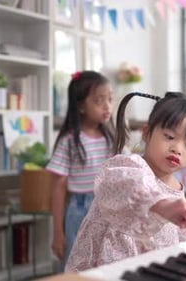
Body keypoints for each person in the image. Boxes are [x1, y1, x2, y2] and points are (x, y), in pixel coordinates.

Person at [65, 91, 186, 272]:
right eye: (169, 137)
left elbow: (180, 242)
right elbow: (126, 186)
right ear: (146, 133)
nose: (177, 149)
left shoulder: (178, 192)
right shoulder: (130, 165)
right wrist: (160, 205)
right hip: (101, 272)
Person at [45, 70, 115, 271]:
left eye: (110, 99)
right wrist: (57, 232)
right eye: (99, 100)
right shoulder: (69, 141)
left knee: (106, 264)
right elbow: (58, 188)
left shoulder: (111, 138)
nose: (107, 106)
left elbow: (132, 165)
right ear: (80, 106)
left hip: (107, 207)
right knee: (76, 265)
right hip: (79, 210)